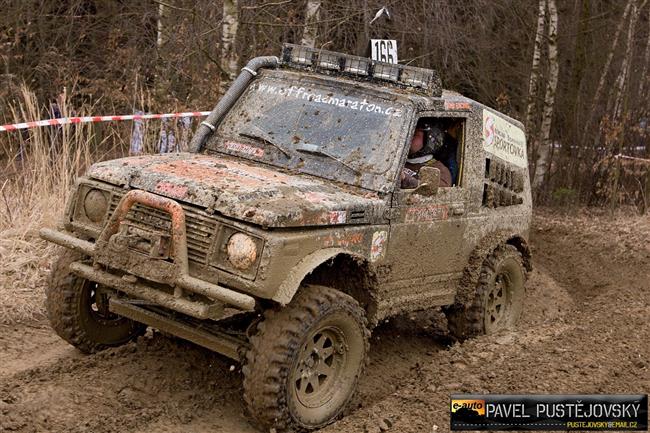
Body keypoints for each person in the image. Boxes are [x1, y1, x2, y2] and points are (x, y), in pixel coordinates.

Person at [401, 125, 452, 189]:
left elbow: (436, 194)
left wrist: (405, 179)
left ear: (430, 140)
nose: (408, 137)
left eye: (414, 134)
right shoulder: (396, 160)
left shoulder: (439, 170)